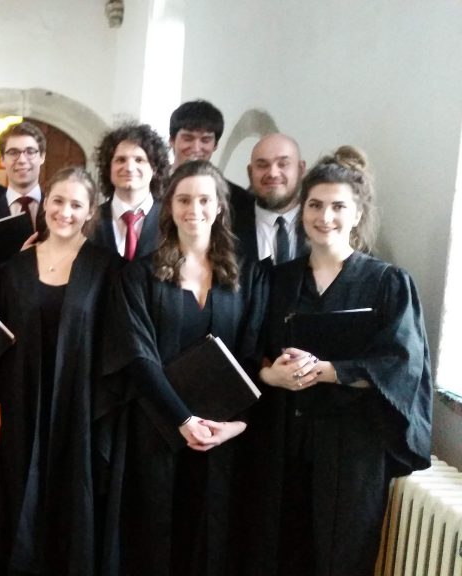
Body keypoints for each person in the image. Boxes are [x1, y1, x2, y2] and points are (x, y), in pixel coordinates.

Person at [247, 146, 432, 576]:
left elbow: (401, 363)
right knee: (278, 550)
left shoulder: (387, 282)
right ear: (302, 209)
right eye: (315, 205)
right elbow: (250, 346)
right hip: (283, 436)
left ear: (357, 213)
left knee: (343, 556)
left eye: (337, 206)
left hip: (352, 444)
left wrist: (327, 371)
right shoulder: (276, 279)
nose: (324, 216)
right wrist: (270, 375)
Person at [95, 160, 267, 576]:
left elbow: (252, 352)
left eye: (205, 199)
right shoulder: (139, 276)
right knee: (153, 540)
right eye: (184, 199)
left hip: (224, 435)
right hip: (156, 430)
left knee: (213, 541)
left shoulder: (248, 275)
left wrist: (236, 424)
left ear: (220, 206)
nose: (194, 209)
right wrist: (183, 419)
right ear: (169, 207)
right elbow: (137, 355)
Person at [0, 167, 115, 575]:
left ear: (90, 211)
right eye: (58, 201)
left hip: (80, 403)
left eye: (76, 204)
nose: (65, 211)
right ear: (45, 204)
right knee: (20, 493)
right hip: (23, 398)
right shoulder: (14, 268)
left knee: (74, 495)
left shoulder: (107, 268)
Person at [90, 122, 170, 265]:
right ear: (108, 168)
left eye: (139, 160)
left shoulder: (171, 219)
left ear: (155, 168)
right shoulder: (90, 220)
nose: (129, 168)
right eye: (121, 160)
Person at [233, 133, 309, 264]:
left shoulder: (321, 225)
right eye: (262, 165)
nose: (273, 173)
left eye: (283, 164)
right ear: (250, 173)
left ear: (301, 169)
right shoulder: (228, 229)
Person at [168, 100, 252, 210]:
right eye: (188, 139)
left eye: (205, 140)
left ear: (215, 144)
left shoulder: (238, 199)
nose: (196, 148)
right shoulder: (151, 186)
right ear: (172, 141)